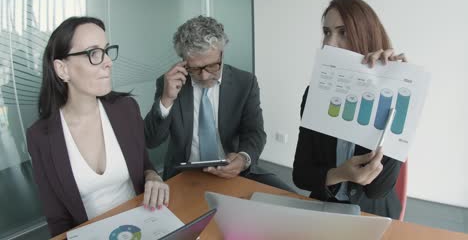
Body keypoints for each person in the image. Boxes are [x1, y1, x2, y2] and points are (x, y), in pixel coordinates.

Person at [26, 16, 169, 237]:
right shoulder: (40, 137)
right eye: (94, 53)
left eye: (106, 50)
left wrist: (154, 177)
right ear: (62, 69)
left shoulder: (126, 109)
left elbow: (145, 166)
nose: (108, 62)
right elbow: (57, 220)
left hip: (145, 226)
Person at [144, 15, 292, 192]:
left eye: (212, 66)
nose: (204, 76)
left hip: (233, 171)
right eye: (195, 69)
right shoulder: (168, 83)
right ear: (183, 61)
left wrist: (243, 158)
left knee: (289, 198)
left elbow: (254, 132)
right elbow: (151, 141)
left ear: (222, 53)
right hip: (184, 174)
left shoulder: (245, 82)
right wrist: (166, 99)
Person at [293, 0, 405, 219]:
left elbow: (377, 190)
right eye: (327, 32)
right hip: (324, 206)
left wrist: (398, 90)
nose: (329, 43)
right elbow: (301, 175)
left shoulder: (391, 97)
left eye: (342, 32)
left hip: (373, 214)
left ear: (366, 36)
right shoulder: (315, 94)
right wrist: (338, 174)